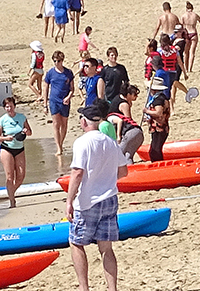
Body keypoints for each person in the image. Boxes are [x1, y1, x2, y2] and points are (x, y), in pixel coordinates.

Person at [67, 105, 127, 291]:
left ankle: (84, 287)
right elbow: (123, 171)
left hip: (88, 201)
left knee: (76, 242)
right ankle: (112, 288)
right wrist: (106, 178)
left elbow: (77, 173)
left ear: (84, 121)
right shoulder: (110, 142)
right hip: (109, 198)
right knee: (106, 248)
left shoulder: (82, 142)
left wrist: (69, 201)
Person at [0, 97, 32, 206]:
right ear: (4, 108)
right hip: (6, 148)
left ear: (14, 106)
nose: (9, 108)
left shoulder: (22, 117)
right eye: (7, 106)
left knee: (21, 175)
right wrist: (6, 138)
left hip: (19, 148)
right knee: (10, 176)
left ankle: (11, 192)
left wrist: (26, 131)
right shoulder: (2, 120)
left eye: (11, 106)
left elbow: (29, 132)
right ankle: (12, 201)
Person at [46, 51, 76, 155]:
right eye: (54, 61)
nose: (56, 63)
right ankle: (58, 147)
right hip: (54, 101)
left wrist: (68, 97)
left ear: (62, 61)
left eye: (58, 61)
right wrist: (45, 103)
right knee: (56, 124)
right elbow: (46, 88)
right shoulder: (50, 73)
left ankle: (61, 143)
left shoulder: (68, 73)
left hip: (65, 101)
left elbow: (72, 89)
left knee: (64, 124)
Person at [178, 2, 200, 72]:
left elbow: (180, 26)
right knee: (192, 52)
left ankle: (186, 68)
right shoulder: (195, 15)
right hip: (194, 33)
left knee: (186, 52)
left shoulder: (184, 16)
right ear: (192, 8)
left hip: (186, 34)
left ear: (186, 8)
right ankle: (190, 69)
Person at [143, 84, 172, 161]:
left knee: (155, 150)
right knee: (155, 149)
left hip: (159, 127)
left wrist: (147, 111)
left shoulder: (158, 100)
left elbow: (158, 113)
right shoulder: (162, 98)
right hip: (160, 127)